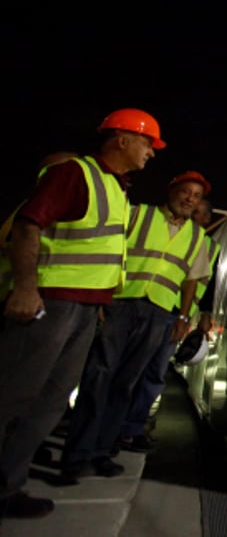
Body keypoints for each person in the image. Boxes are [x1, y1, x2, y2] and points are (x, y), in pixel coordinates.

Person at [0, 108, 163, 522]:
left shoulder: (116, 188)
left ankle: (8, 487)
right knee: (15, 394)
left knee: (52, 400)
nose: (152, 153)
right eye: (148, 142)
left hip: (87, 309)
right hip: (51, 304)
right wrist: (25, 287)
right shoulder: (76, 173)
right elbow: (28, 224)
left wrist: (101, 304)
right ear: (122, 140)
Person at [60, 168, 211, 481]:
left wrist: (183, 317)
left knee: (125, 382)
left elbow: (191, 281)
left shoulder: (197, 237)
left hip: (158, 313)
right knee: (99, 376)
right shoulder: (138, 215)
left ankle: (102, 451)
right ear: (171, 190)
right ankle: (76, 456)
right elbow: (108, 252)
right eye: (186, 192)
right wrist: (101, 297)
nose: (190, 200)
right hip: (120, 305)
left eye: (196, 197)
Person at [116, 174, 215, 452]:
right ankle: (115, 429)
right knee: (127, 371)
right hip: (145, 304)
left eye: (199, 208)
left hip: (171, 314)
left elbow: (201, 282)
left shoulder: (204, 242)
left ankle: (129, 427)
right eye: (189, 197)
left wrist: (190, 316)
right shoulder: (151, 220)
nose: (194, 209)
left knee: (152, 372)